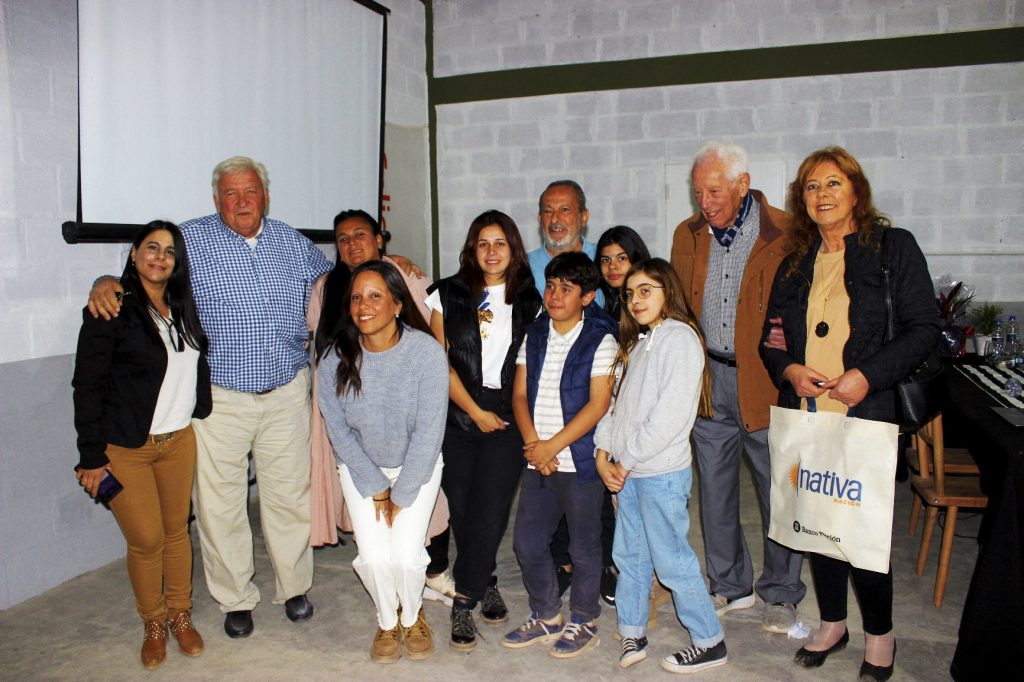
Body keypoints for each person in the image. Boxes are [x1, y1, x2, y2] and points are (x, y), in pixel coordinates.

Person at [88, 157, 331, 637]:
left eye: (250, 191)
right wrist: (104, 281)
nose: (242, 202)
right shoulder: (190, 240)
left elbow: (337, 284)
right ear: (216, 201)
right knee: (220, 504)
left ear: (265, 196)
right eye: (230, 194)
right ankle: (235, 597)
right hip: (221, 398)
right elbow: (142, 275)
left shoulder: (293, 242)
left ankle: (294, 586)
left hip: (286, 392)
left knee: (288, 496)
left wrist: (392, 265)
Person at [760, 147, 940, 682]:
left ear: (856, 191)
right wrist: (789, 369)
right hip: (809, 414)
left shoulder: (892, 247)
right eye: (812, 186)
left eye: (833, 183)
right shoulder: (795, 263)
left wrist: (868, 374)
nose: (822, 194)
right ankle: (833, 623)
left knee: (861, 531)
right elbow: (772, 336)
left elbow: (924, 329)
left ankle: (880, 634)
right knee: (819, 523)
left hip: (867, 414)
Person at [669, 141, 805, 633]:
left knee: (778, 492)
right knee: (716, 490)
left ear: (743, 184)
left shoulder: (786, 233)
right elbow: (679, 306)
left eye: (714, 191)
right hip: (709, 378)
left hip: (764, 380)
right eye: (698, 192)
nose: (704, 202)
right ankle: (729, 583)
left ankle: (781, 592)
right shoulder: (687, 235)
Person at [73, 221, 211, 669]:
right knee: (147, 540)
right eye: (151, 248)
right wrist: (91, 457)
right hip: (127, 448)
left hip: (178, 441)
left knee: (177, 532)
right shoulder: (111, 307)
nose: (160, 257)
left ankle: (180, 614)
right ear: (134, 255)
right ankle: (153, 623)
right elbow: (87, 386)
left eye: (169, 251)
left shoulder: (183, 307)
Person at [308, 209, 453, 604]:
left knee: (425, 499)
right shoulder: (325, 287)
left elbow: (432, 329)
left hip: (403, 405)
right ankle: (386, 575)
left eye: (360, 235)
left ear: (378, 239)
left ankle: (432, 570)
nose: (351, 244)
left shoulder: (405, 275)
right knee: (359, 490)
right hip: (348, 399)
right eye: (342, 239)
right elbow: (316, 340)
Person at [594, 258, 728, 673]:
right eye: (630, 294)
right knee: (629, 555)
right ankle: (632, 630)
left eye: (645, 291)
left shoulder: (680, 338)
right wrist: (603, 452)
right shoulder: (639, 342)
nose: (635, 300)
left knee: (671, 559)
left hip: (660, 474)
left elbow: (669, 417)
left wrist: (626, 460)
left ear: (668, 292)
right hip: (629, 473)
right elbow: (615, 407)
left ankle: (709, 640)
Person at [316, 260, 448, 663]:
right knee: (374, 557)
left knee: (406, 556)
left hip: (417, 466)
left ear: (397, 304)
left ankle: (412, 615)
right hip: (361, 468)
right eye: (357, 297)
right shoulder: (334, 358)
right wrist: (376, 487)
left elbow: (429, 433)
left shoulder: (425, 353)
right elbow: (338, 430)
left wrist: (401, 493)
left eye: (375, 296)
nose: (364, 305)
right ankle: (388, 621)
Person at [425, 210, 543, 651]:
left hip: (508, 413)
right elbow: (438, 362)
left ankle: (464, 600)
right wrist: (474, 411)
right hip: (457, 413)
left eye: (500, 244)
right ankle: (487, 579)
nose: (491, 252)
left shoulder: (531, 299)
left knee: (491, 511)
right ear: (471, 249)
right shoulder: (445, 294)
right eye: (483, 244)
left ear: (514, 249)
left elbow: (535, 365)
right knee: (464, 510)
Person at [501, 252, 617, 659]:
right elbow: (519, 395)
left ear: (587, 297)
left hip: (579, 462)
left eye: (567, 289)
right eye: (550, 286)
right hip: (539, 460)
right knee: (528, 543)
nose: (554, 295)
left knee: (583, 547)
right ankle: (547, 614)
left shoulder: (600, 339)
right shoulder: (535, 334)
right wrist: (536, 446)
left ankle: (584, 619)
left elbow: (598, 404)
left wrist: (553, 446)